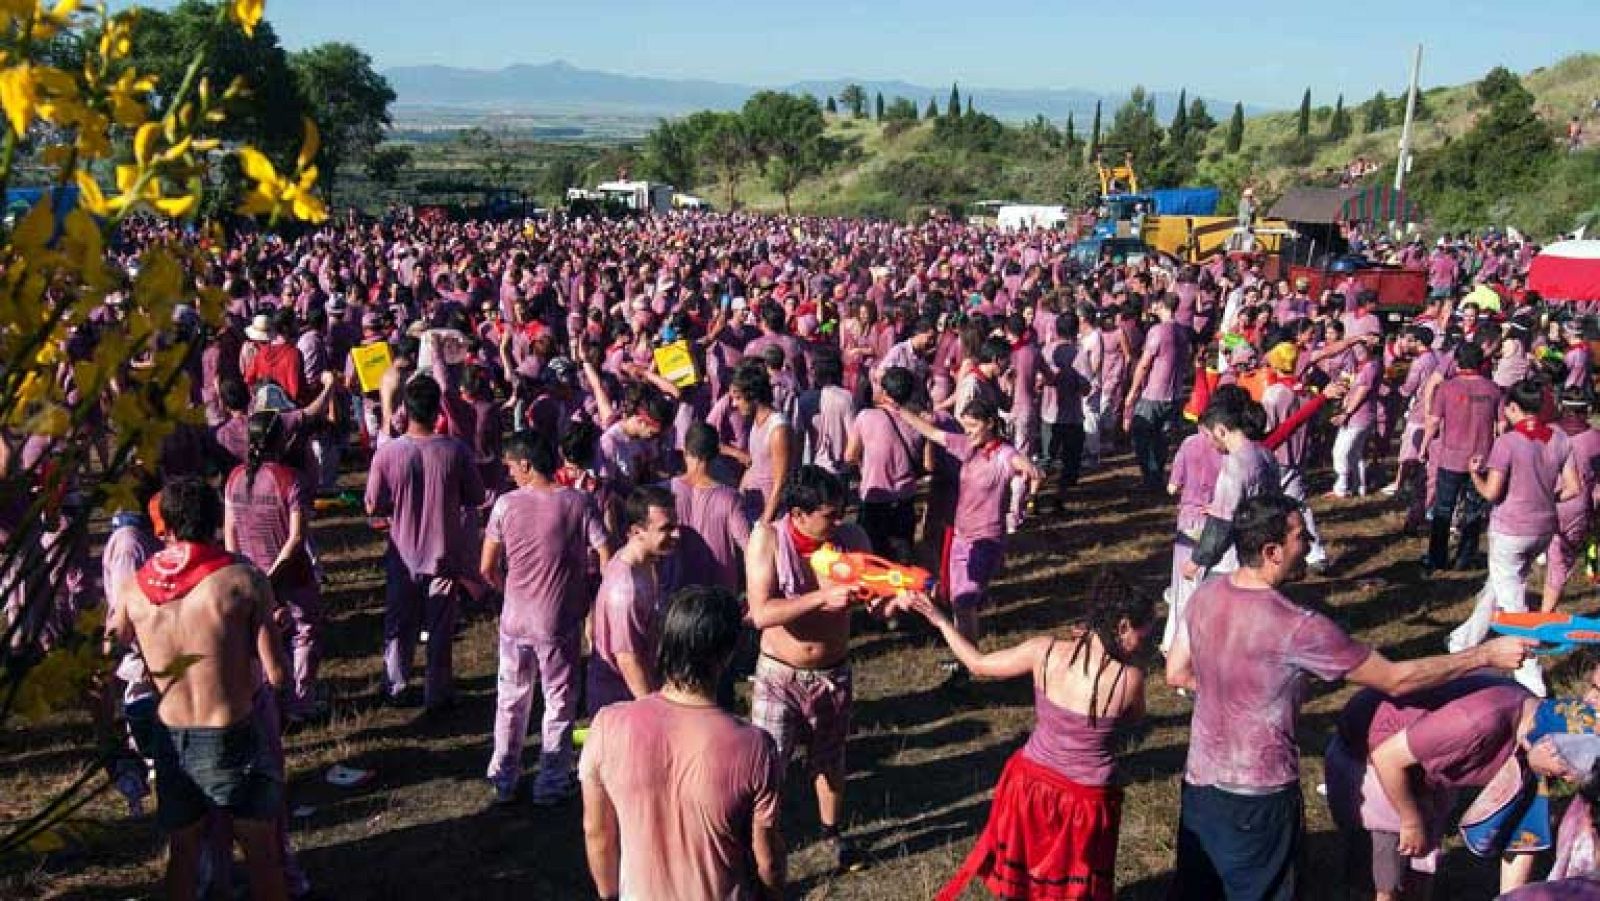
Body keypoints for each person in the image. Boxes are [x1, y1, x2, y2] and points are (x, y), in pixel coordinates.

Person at [1165, 493, 1534, 900]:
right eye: (1300, 536)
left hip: (1199, 782)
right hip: (1259, 794)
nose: (1308, 543)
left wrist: (1236, 692)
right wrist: (1486, 654)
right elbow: (1395, 680)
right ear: (1271, 551)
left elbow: (1176, 672)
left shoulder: (1206, 595)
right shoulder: (1298, 627)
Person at [906, 571, 1154, 901]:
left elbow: (978, 663)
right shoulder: (1130, 677)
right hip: (1084, 800)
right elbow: (1135, 717)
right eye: (1144, 631)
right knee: (1072, 886)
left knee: (1023, 879)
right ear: (1122, 626)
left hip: (1029, 786)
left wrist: (940, 620)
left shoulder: (1044, 651)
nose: (1147, 639)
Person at [105, 477, 291, 901]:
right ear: (214, 521)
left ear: (165, 525)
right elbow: (278, 674)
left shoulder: (135, 587)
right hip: (231, 732)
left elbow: (109, 644)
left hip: (170, 736)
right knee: (261, 854)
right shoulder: (243, 580)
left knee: (183, 853)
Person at [579, 585, 785, 901]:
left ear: (662, 644)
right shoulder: (755, 746)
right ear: (727, 655)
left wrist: (609, 895)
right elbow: (766, 858)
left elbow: (598, 833)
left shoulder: (607, 726)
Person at [1326, 675, 1581, 899]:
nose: (1569, 781)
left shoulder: (1539, 738)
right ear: (1546, 745)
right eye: (1567, 770)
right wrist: (1411, 820)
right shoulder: (1481, 721)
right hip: (1373, 764)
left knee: (1420, 870)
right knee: (1384, 877)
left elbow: (1522, 835)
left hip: (1425, 774)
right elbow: (1387, 758)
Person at [745, 465, 874, 872]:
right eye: (829, 515)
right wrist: (822, 599)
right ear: (798, 515)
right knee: (769, 765)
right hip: (780, 674)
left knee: (830, 760)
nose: (839, 522)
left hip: (832, 672)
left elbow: (877, 594)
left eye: (841, 512)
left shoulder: (850, 538)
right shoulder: (768, 539)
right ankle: (760, 844)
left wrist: (891, 599)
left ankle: (831, 835)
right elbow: (762, 612)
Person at [479, 430, 609, 806]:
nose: (509, 474)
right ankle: (551, 780)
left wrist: (509, 591)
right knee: (558, 700)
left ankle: (504, 777)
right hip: (557, 621)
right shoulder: (579, 503)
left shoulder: (505, 506)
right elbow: (605, 553)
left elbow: (487, 566)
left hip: (515, 620)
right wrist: (591, 593)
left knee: (511, 699)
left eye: (511, 467)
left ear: (526, 464)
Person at [1447, 378, 1580, 697]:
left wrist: (1475, 474)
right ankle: (1463, 641)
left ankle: (1531, 677)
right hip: (1543, 528)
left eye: (1508, 406)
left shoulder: (1507, 442)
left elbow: (1492, 493)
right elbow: (1573, 487)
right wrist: (1545, 497)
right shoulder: (1559, 437)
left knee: (1513, 601)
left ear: (1516, 408)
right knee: (1500, 583)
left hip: (1510, 529)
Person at [364, 374, 486, 711]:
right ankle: (438, 691)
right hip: (443, 553)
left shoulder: (388, 453)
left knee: (399, 623)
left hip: (403, 554)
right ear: (438, 411)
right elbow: (475, 496)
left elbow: (374, 505)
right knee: (440, 627)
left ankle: (395, 683)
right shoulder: (455, 451)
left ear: (406, 408)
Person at [891, 396, 1043, 649]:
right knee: (957, 599)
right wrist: (901, 411)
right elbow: (933, 432)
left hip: (985, 540)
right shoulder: (967, 447)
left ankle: (968, 658)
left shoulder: (1005, 456)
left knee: (964, 602)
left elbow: (1033, 472)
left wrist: (1028, 494)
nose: (968, 432)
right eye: (966, 426)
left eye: (973, 426)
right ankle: (965, 652)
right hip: (961, 537)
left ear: (991, 424)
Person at [223, 410, 323, 722]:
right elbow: (296, 537)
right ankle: (300, 702)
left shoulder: (235, 479)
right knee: (304, 634)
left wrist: (243, 572)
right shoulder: (290, 480)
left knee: (262, 639)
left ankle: (269, 704)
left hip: (250, 575)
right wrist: (273, 574)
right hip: (292, 575)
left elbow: (230, 534)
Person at [587, 484, 679, 714]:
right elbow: (628, 660)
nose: (676, 534)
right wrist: (655, 711)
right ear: (637, 531)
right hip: (622, 703)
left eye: (675, 526)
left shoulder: (647, 562)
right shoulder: (626, 590)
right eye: (666, 528)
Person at [1420, 341, 1501, 573]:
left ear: (1457, 363)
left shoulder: (1446, 388)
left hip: (1451, 458)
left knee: (1443, 509)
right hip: (1482, 458)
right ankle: (1465, 557)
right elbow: (1502, 426)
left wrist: (1424, 445)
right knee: (1474, 510)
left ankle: (1437, 557)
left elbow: (1434, 422)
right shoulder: (1493, 389)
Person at [844, 365, 924, 563]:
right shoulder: (918, 423)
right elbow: (926, 463)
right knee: (901, 560)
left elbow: (849, 455)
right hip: (905, 499)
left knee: (871, 558)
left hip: (875, 498)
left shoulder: (867, 417)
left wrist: (865, 464)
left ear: (885, 392)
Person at [1124, 294, 1190, 490]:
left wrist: (1132, 392)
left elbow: (1144, 364)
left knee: (1141, 435)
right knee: (1162, 437)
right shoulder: (1182, 332)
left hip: (1154, 392)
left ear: (1161, 305)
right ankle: (1158, 474)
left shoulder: (1158, 331)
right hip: (1175, 392)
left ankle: (1150, 477)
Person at [726, 362, 794, 525]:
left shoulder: (778, 429)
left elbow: (781, 483)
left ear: (754, 396)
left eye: (738, 398)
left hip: (772, 518)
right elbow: (754, 466)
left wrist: (764, 523)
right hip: (753, 509)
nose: (734, 404)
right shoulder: (756, 423)